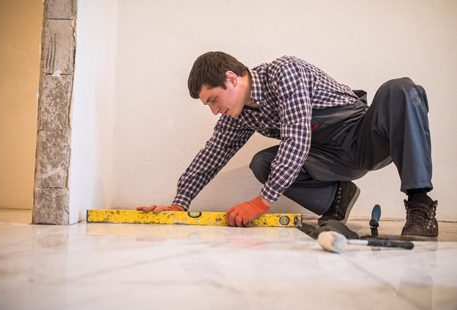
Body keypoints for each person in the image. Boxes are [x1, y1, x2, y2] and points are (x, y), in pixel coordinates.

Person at [137, 51, 438, 241]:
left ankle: (420, 204)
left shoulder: (283, 72)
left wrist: (261, 203)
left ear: (231, 79)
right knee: (262, 163)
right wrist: (180, 204)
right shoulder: (237, 117)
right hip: (328, 159)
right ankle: (339, 195)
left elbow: (297, 137)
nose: (214, 110)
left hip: (364, 138)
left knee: (400, 89)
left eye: (213, 99)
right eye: (208, 105)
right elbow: (210, 157)